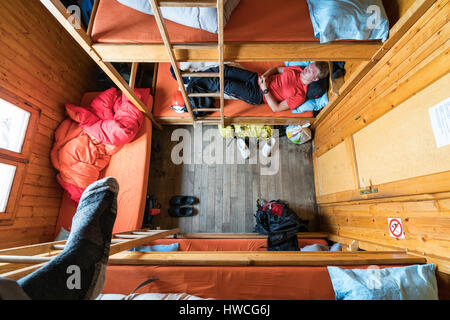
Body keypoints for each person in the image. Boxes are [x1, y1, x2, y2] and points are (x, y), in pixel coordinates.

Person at [184, 62, 329, 113]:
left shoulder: (300, 95)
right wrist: (265, 75)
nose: (306, 69)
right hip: (257, 78)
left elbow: (276, 108)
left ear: (315, 79)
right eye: (308, 66)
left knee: (224, 84)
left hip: (258, 94)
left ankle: (193, 84)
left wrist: (265, 89)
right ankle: (194, 78)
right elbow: (277, 69)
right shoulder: (297, 69)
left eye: (310, 71)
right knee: (225, 69)